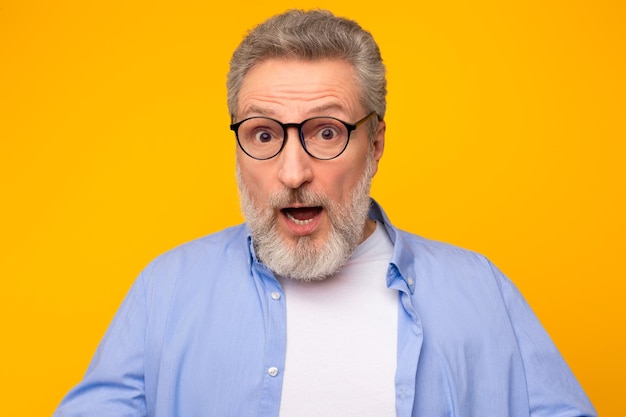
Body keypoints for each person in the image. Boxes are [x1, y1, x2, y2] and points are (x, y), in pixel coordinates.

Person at [53, 9, 596, 417]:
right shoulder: (166, 290)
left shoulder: (482, 289)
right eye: (263, 134)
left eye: (326, 133)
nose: (293, 173)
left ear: (376, 143)